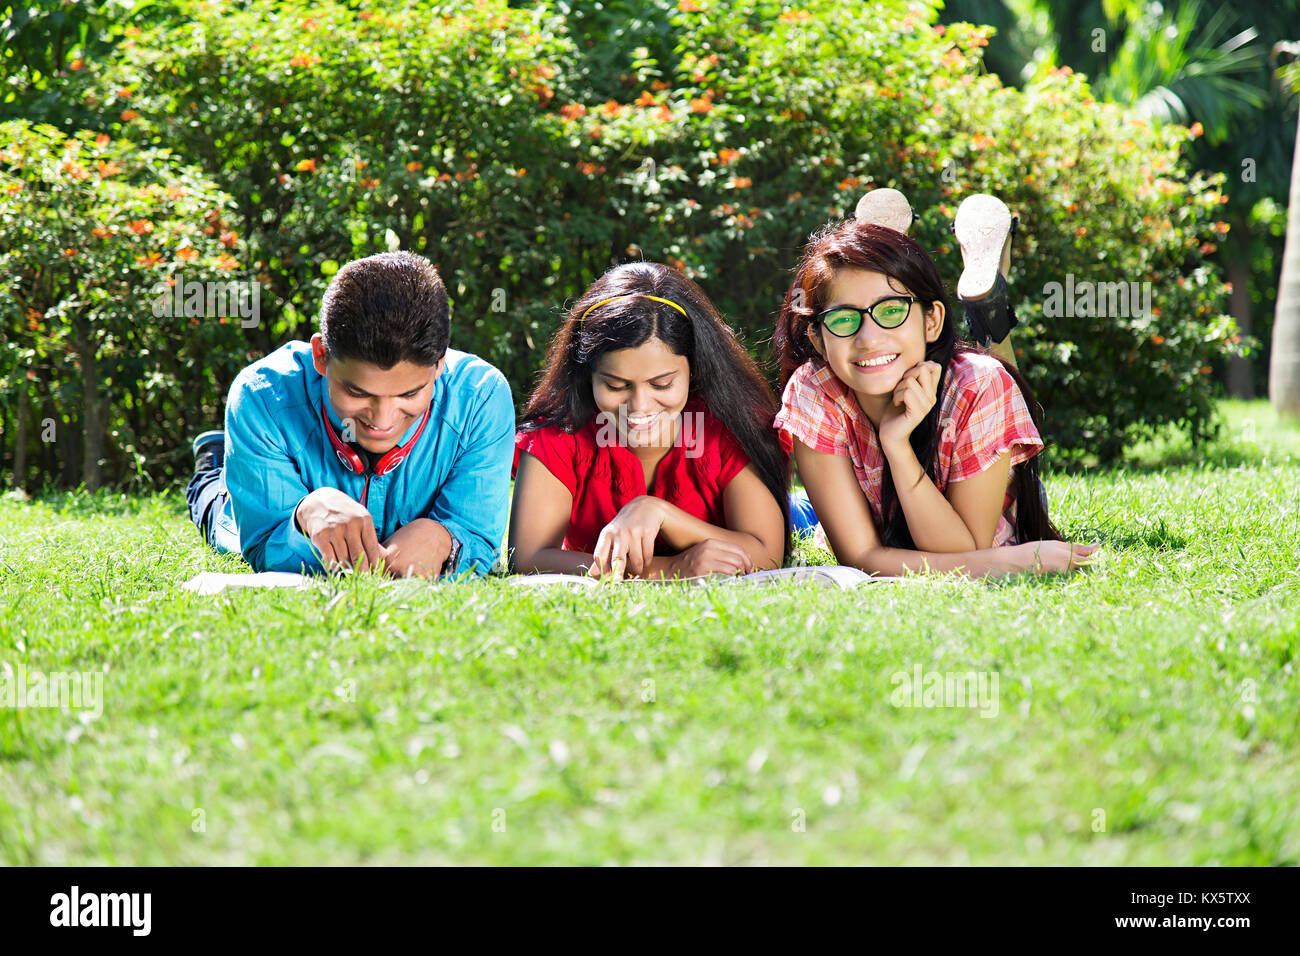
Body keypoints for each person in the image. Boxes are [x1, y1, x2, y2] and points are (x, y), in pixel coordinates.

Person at [771, 189, 1099, 577]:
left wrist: (898, 450)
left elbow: (965, 547)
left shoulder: (979, 386)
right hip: (865, 503)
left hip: (986, 485)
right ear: (817, 340)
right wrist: (1005, 562)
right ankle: (887, 256)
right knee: (797, 513)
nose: (868, 339)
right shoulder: (814, 390)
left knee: (985, 374)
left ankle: (977, 306)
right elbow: (860, 558)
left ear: (932, 320)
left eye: (891, 310)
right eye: (843, 319)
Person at [185, 251, 515, 579]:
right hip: (235, 502)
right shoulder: (262, 398)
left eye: (410, 394)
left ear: (440, 365)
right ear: (321, 356)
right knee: (218, 509)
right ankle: (214, 464)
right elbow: (262, 541)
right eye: (357, 392)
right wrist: (303, 515)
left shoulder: (481, 399)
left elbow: (479, 538)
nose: (383, 421)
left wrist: (447, 541)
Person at [509, 261, 808, 582]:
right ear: (588, 374)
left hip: (797, 514)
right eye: (615, 385)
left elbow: (768, 555)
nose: (638, 406)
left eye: (662, 384)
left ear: (694, 370)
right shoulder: (557, 433)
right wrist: (670, 569)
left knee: (803, 514)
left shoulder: (731, 424)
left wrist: (658, 512)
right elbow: (527, 558)